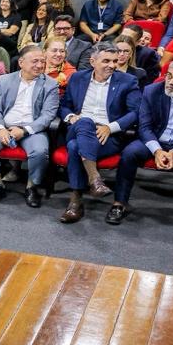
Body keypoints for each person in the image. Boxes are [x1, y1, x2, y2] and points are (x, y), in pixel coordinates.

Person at [107, 60, 173, 233]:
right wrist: (157, 150)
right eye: (169, 76)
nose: (171, 82)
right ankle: (119, 203)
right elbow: (144, 127)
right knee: (129, 153)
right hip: (155, 139)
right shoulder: (152, 91)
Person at [57, 41, 142, 223]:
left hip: (107, 136)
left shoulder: (127, 81)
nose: (112, 65)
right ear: (93, 61)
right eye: (106, 61)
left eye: (114, 61)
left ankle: (75, 201)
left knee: (73, 147)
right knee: (85, 122)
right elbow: (64, 106)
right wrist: (71, 117)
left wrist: (109, 127)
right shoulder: (78, 78)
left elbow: (135, 113)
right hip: (77, 127)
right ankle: (95, 179)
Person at [0, 44, 61, 208]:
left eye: (42, 61)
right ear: (21, 62)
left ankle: (32, 187)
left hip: (32, 130)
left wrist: (24, 130)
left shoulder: (50, 84)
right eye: (35, 61)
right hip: (5, 127)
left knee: (40, 151)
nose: (39, 65)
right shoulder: (5, 80)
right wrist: (0, 128)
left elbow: (48, 115)